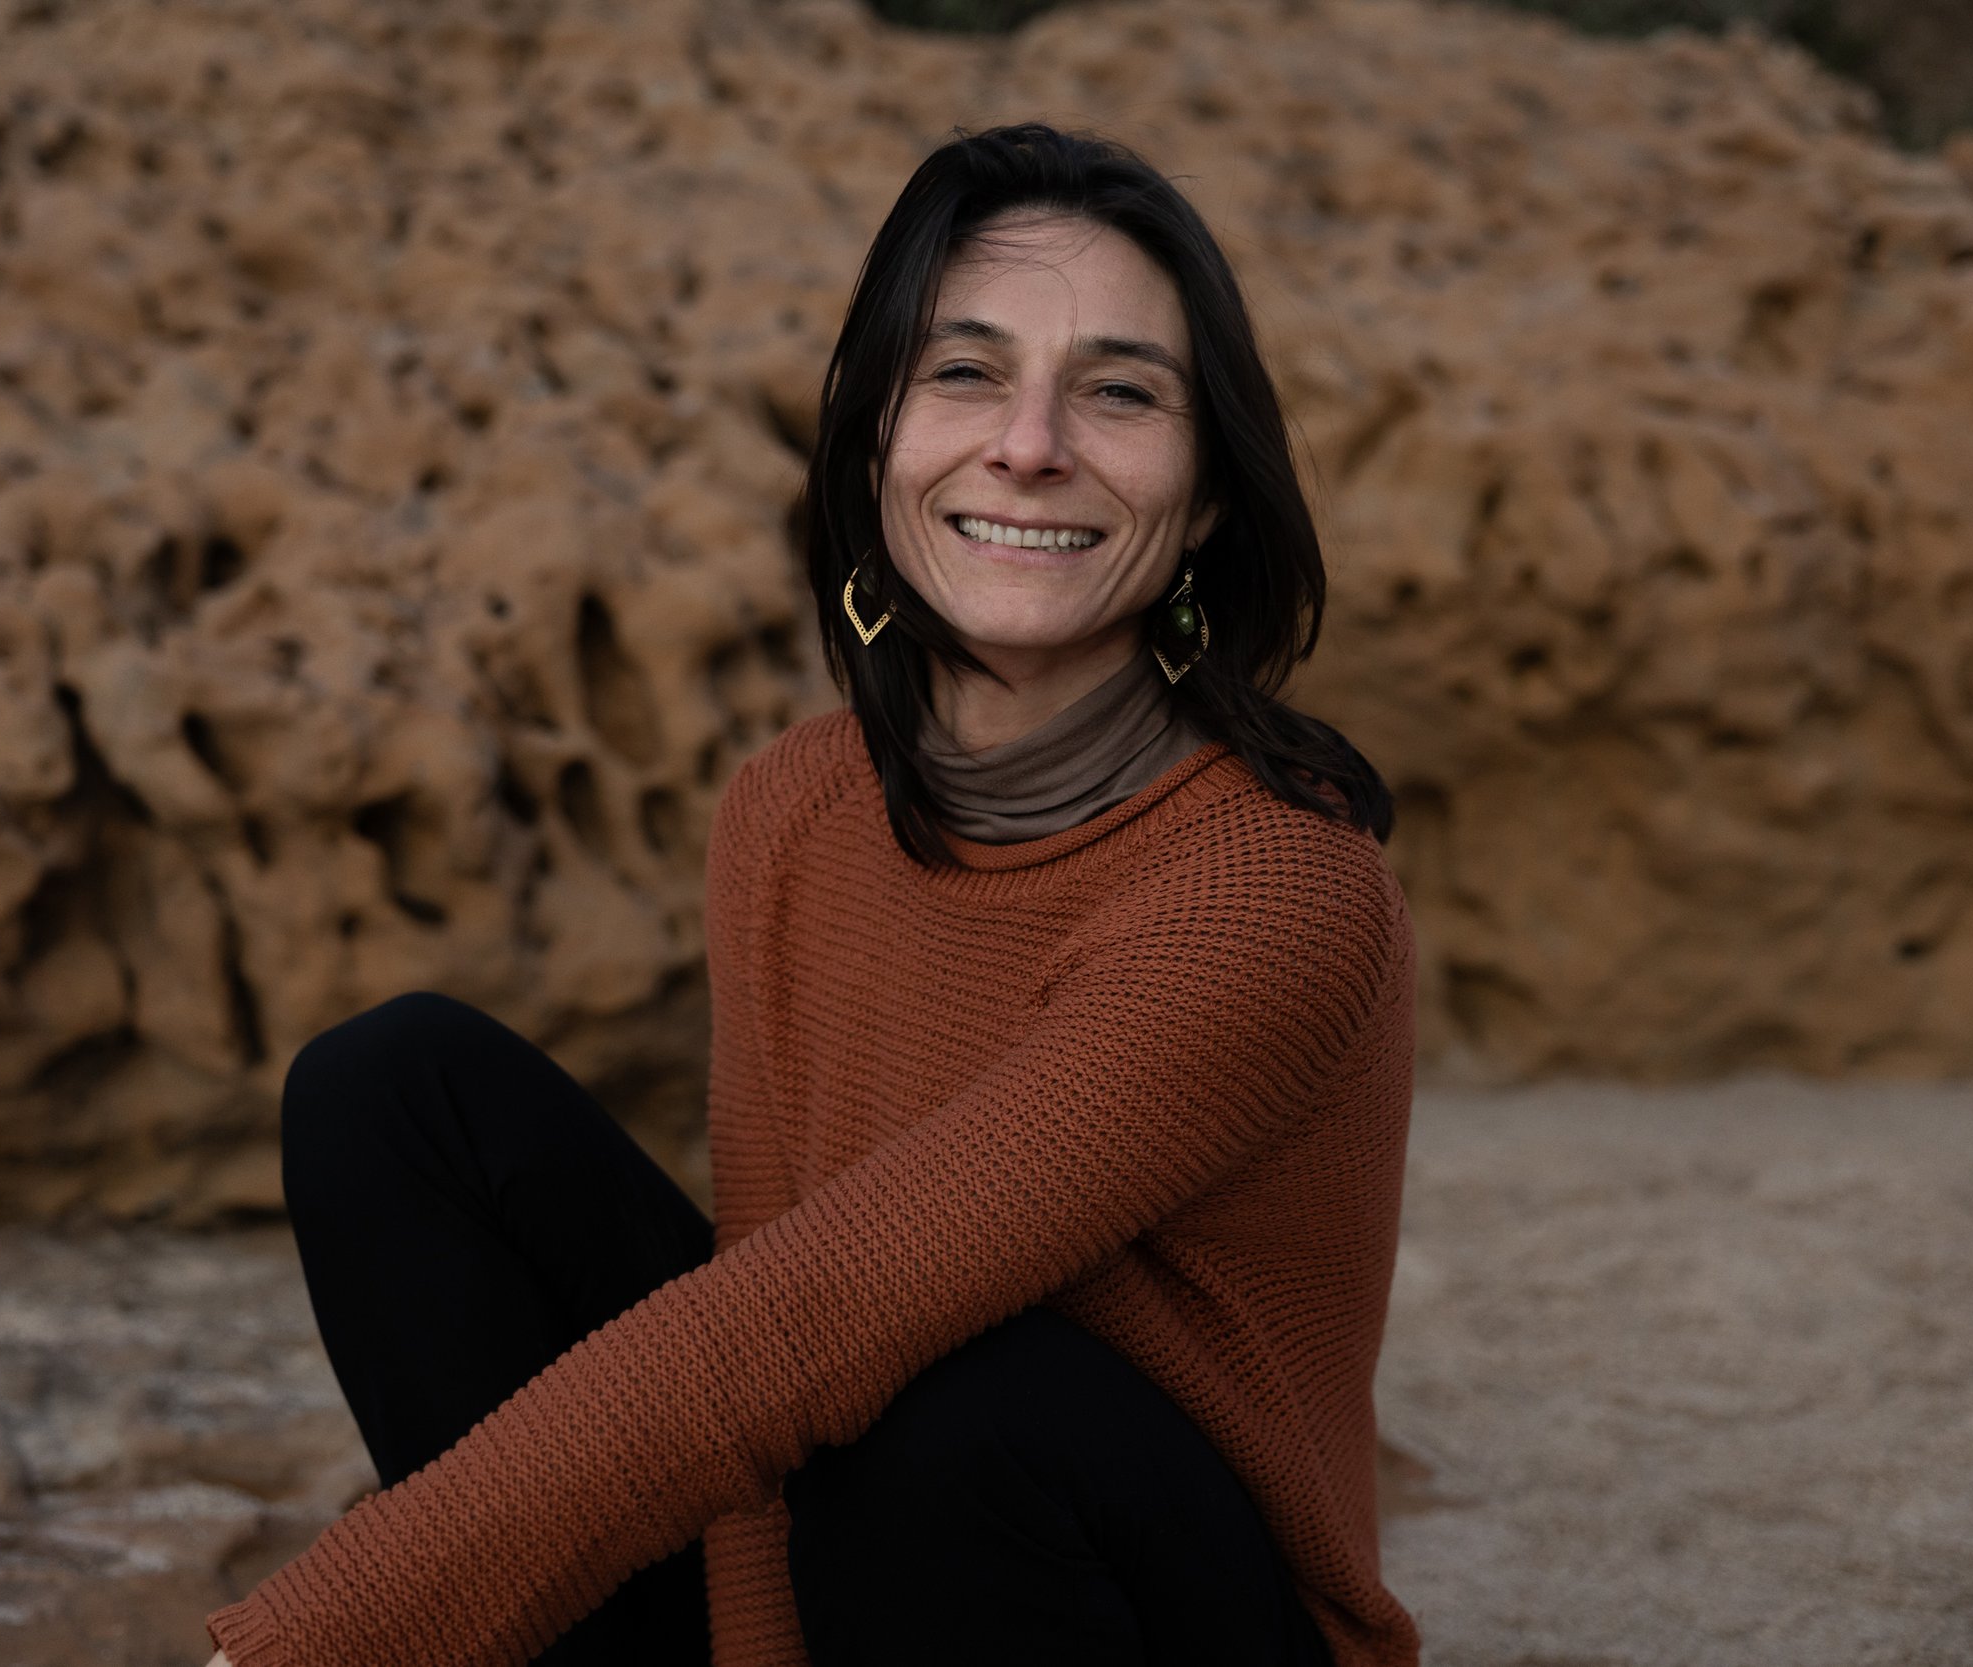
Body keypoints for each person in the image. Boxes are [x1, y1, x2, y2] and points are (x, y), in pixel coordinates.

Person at [200, 122, 1420, 1667]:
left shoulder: (1271, 892)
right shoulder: (795, 806)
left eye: (1119, 392)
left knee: (951, 1395)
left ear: (1209, 499)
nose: (1030, 445)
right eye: (964, 372)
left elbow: (821, 1321)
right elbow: (766, 1272)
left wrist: (298, 1645)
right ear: (872, 438)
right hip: (869, 1528)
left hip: (1158, 1604)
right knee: (396, 1093)